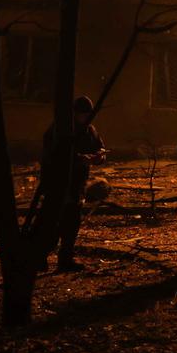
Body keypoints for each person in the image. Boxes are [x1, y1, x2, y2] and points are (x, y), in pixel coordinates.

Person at [40, 95, 106, 272]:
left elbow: (99, 147)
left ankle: (65, 259)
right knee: (53, 223)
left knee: (72, 223)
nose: (85, 117)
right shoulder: (59, 130)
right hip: (58, 182)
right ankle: (40, 257)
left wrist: (99, 156)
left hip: (78, 183)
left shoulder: (89, 130)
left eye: (87, 114)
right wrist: (78, 159)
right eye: (82, 114)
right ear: (74, 113)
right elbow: (53, 155)